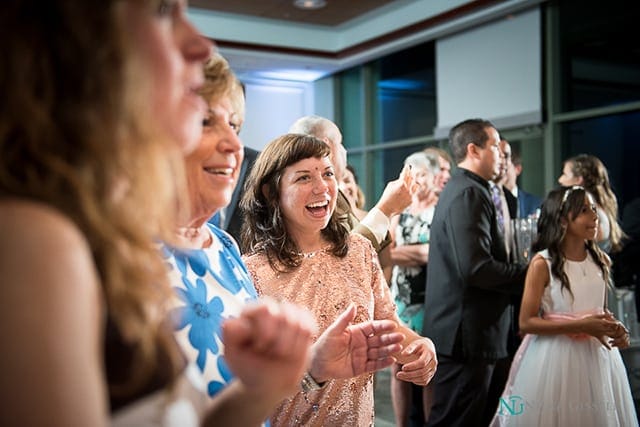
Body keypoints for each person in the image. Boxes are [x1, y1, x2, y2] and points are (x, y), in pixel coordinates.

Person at [0, 1, 223, 424]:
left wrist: (260, 388)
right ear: (71, 43)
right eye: (161, 11)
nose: (202, 45)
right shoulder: (33, 244)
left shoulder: (115, 237)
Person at [162, 55, 408, 426]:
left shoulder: (224, 250)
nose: (233, 143)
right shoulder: (121, 258)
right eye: (205, 121)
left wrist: (312, 365)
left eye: (235, 125)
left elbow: (241, 397)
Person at [240, 133, 438, 426]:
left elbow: (388, 325)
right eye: (304, 178)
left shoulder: (359, 251)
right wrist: (312, 369)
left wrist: (420, 346)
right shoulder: (252, 272)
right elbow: (249, 383)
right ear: (272, 193)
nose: (322, 187)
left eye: (328, 174)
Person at [490, 186, 636, 426]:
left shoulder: (601, 261)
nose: (594, 216)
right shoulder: (542, 263)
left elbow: (602, 312)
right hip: (554, 357)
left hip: (598, 360)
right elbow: (526, 322)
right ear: (562, 220)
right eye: (584, 211)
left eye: (594, 209)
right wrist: (583, 325)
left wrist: (616, 329)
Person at [422, 118, 528, 427]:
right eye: (495, 146)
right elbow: (476, 268)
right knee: (456, 421)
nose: (501, 154)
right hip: (466, 335)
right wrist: (531, 274)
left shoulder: (472, 189)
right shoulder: (469, 192)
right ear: (474, 150)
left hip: (475, 333)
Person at [289, 115, 414, 253]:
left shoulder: (334, 191)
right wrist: (385, 210)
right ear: (327, 146)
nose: (345, 151)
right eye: (340, 143)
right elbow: (341, 257)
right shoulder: (313, 195)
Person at [387, 150, 441, 427]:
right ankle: (401, 424)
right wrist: (415, 252)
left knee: (426, 361)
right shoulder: (402, 211)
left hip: (428, 297)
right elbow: (388, 251)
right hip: (401, 296)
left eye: (422, 175)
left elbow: (432, 254)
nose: (418, 180)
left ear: (433, 178)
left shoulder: (439, 210)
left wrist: (407, 253)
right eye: (413, 174)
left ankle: (429, 422)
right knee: (398, 362)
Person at [558, 154, 625, 253]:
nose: (560, 180)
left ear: (578, 180)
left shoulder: (587, 209)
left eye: (565, 174)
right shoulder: (596, 207)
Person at [506, 148, 542, 218]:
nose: (501, 172)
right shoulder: (492, 201)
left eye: (506, 168)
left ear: (518, 169)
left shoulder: (535, 203)